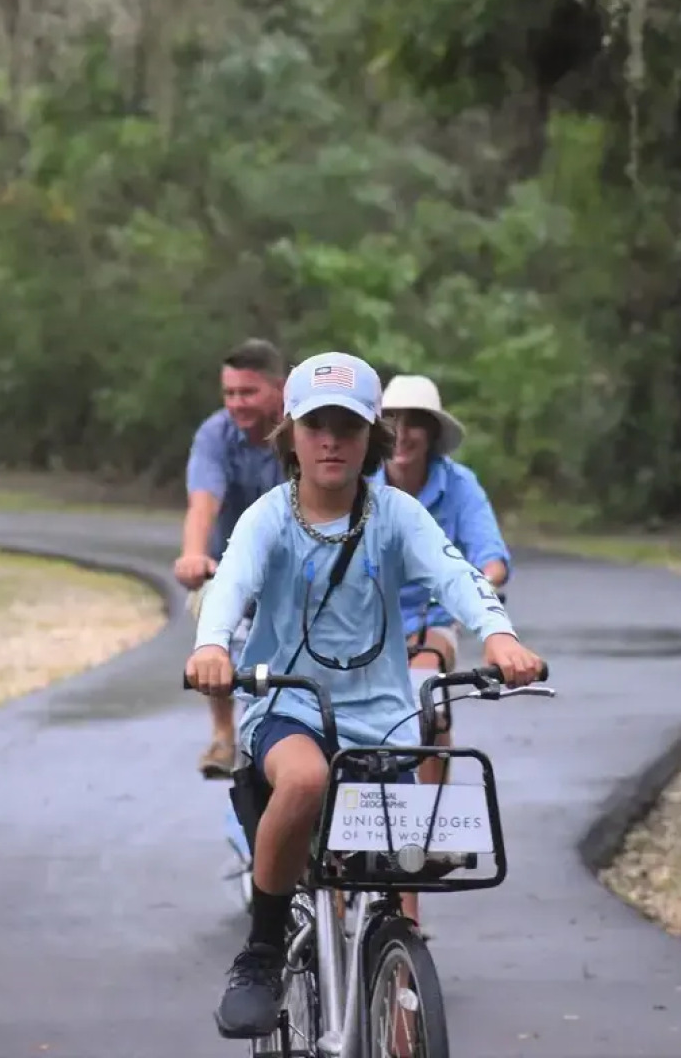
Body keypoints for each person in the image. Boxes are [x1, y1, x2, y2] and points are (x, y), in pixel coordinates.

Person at [184, 351, 544, 1040]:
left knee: (393, 863)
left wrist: (499, 636)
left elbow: (458, 576)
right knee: (306, 780)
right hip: (287, 704)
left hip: (381, 717)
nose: (331, 441)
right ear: (290, 434)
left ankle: (388, 970)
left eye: (347, 427)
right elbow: (229, 585)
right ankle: (261, 952)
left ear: (371, 437)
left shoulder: (397, 515)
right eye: (316, 426)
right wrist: (212, 646)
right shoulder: (268, 517)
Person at [372, 373, 512, 788]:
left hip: (430, 617)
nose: (402, 433)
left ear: (432, 433)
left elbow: (491, 556)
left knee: (426, 695)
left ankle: (430, 811)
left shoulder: (459, 484)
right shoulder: (357, 483)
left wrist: (478, 587)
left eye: (414, 422)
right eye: (392, 420)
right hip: (361, 620)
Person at [175, 338, 286, 778]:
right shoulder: (215, 434)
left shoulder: (304, 431)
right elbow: (203, 502)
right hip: (231, 565)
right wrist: (193, 555)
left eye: (248, 392)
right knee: (212, 609)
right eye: (229, 393)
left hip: (298, 565)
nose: (237, 403)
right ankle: (224, 734)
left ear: (279, 389)